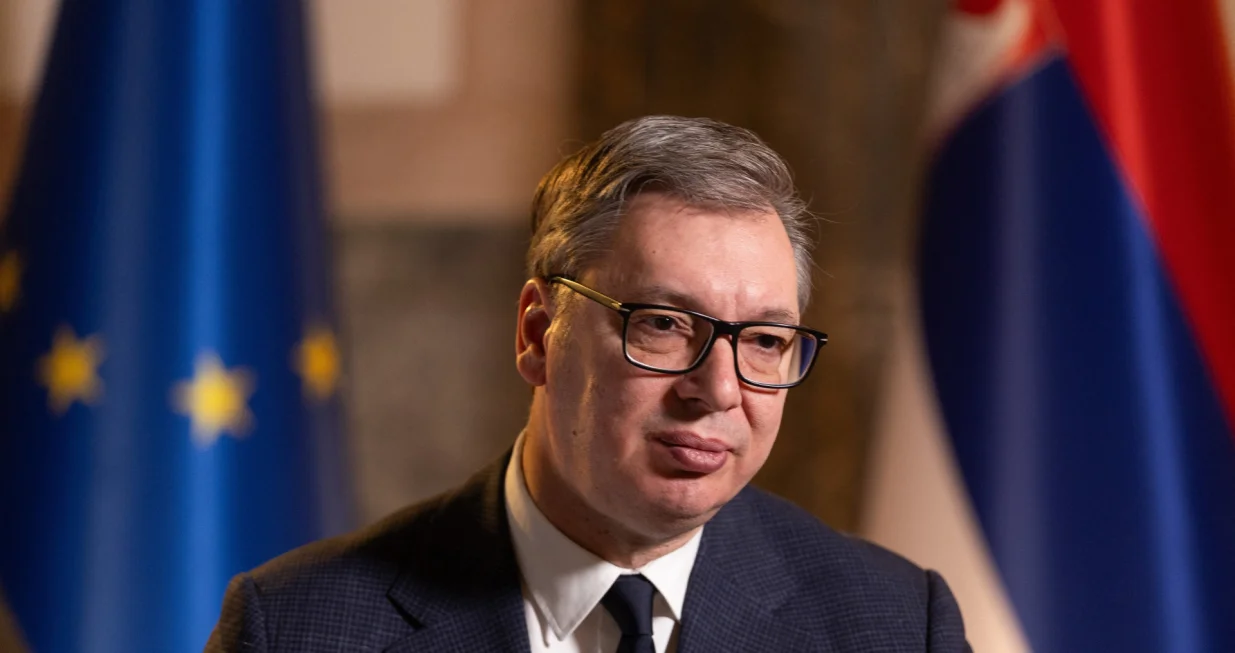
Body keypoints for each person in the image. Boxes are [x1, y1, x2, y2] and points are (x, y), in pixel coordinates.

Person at [206, 115, 970, 652]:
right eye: (664, 324)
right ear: (538, 333)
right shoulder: (299, 626)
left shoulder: (896, 624)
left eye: (764, 341)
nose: (718, 389)